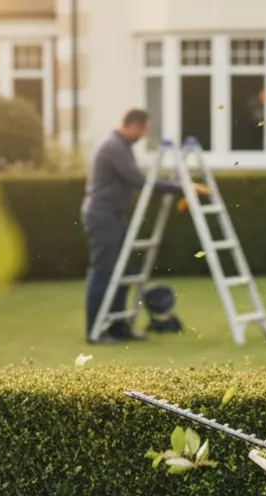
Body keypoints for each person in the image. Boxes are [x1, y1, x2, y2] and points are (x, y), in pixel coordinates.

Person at [81, 109, 208, 344]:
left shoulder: (122, 146)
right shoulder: (113, 146)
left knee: (125, 271)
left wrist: (176, 186)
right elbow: (138, 181)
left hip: (116, 215)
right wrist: (180, 187)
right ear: (135, 126)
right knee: (104, 271)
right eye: (144, 130)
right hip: (102, 215)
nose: (143, 136)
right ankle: (94, 332)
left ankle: (118, 327)